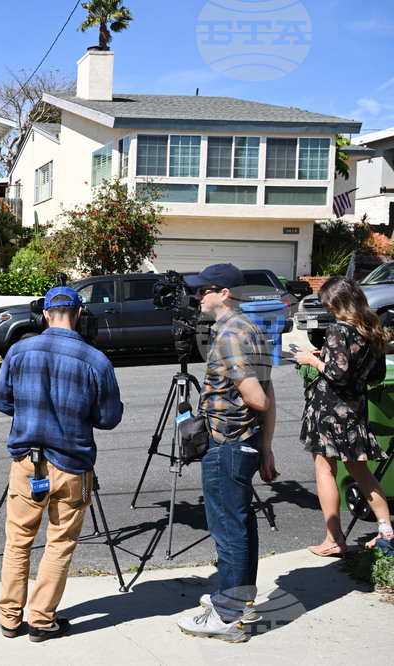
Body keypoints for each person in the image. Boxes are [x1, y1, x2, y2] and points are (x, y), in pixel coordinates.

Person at [0, 286, 123, 642]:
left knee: (18, 542)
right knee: (60, 543)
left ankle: (9, 618)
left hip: (27, 462)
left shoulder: (18, 351)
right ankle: (41, 620)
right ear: (79, 315)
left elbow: (3, 402)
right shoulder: (96, 360)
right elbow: (109, 418)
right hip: (72, 466)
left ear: (46, 315)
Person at [177, 263, 278, 643]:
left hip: (227, 444)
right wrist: (265, 447)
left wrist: (255, 431)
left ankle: (227, 615)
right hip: (246, 443)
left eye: (204, 289)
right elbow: (270, 392)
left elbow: (258, 397)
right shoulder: (251, 327)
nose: (198, 296)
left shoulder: (231, 335)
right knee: (242, 524)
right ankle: (239, 601)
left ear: (224, 294)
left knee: (228, 528)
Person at [293, 276, 393, 554]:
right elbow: (376, 376)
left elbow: (337, 374)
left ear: (337, 302)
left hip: (329, 410)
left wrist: (312, 360)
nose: (327, 309)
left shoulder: (338, 329)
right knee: (362, 472)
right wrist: (325, 355)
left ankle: (334, 539)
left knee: (325, 471)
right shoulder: (373, 329)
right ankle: (386, 532)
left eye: (328, 303)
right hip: (356, 409)